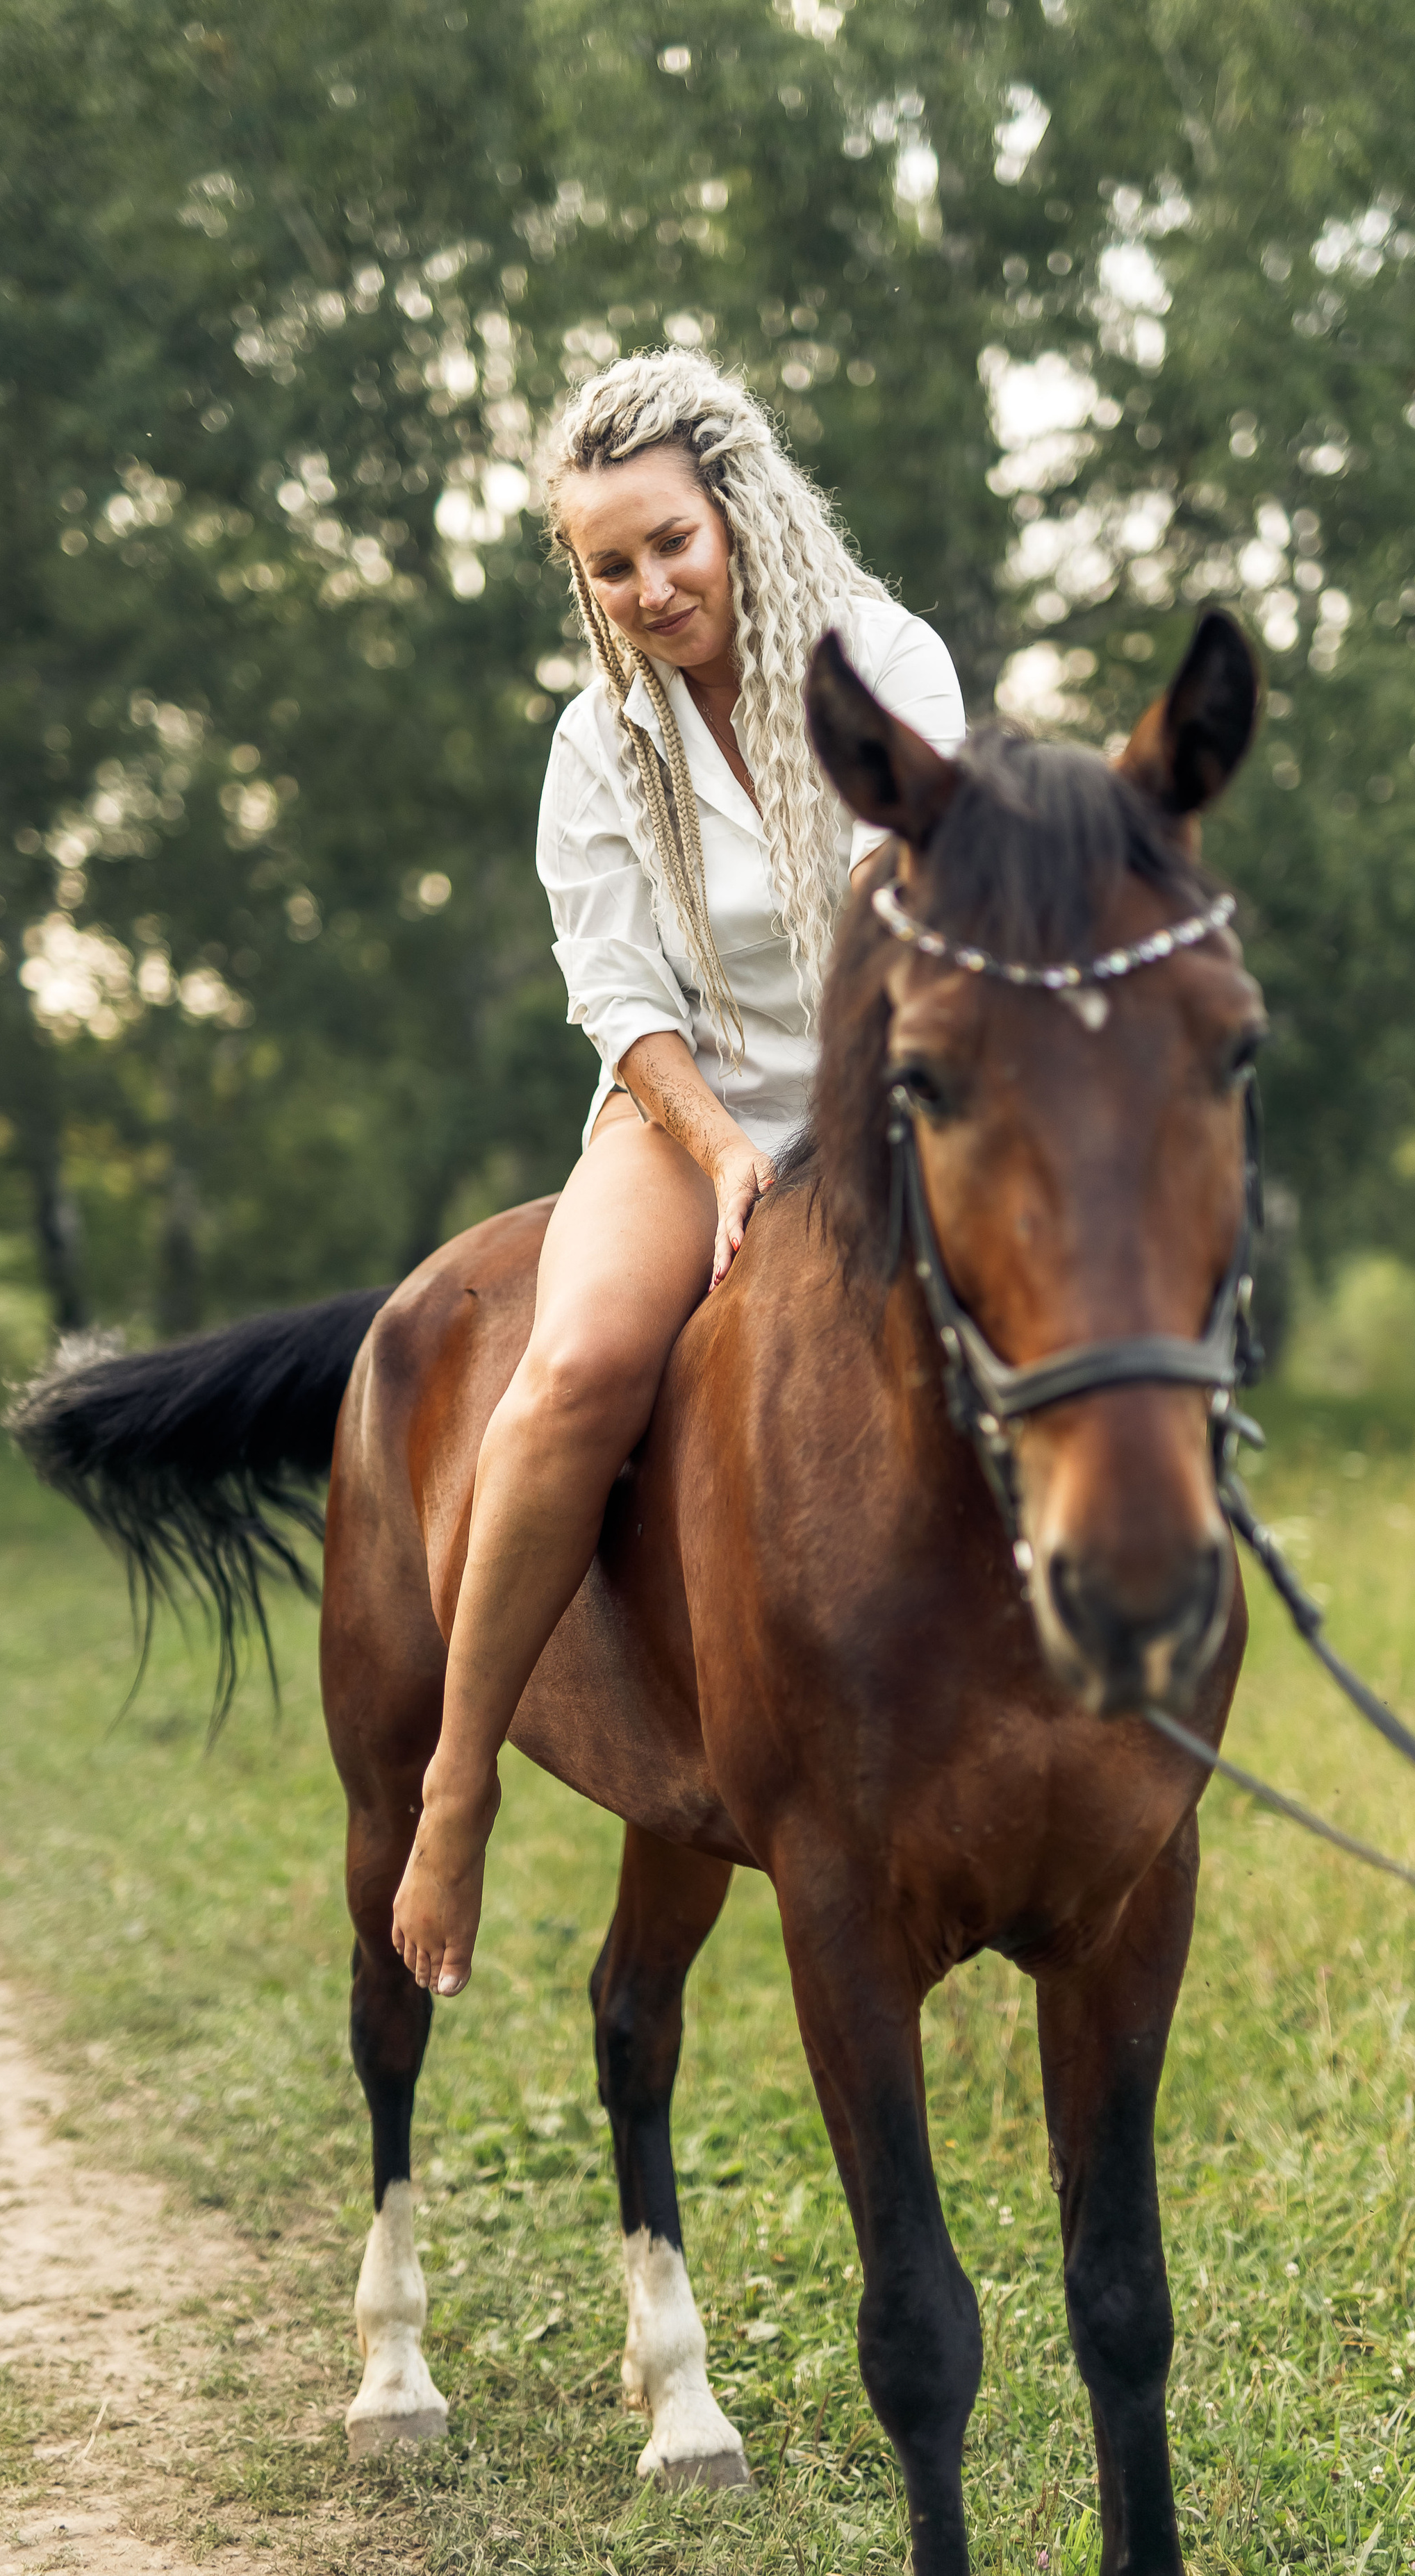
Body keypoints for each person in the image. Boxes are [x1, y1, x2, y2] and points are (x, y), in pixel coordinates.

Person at [391, 349, 966, 1997]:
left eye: (670, 543)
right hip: (682, 1111)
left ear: (735, 512)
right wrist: (723, 1161)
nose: (649, 586)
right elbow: (617, 992)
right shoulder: (595, 742)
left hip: (877, 1089)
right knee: (566, 1373)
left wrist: (844, 1146)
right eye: (610, 564)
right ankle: (457, 1782)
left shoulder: (883, 657)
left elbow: (896, 901)